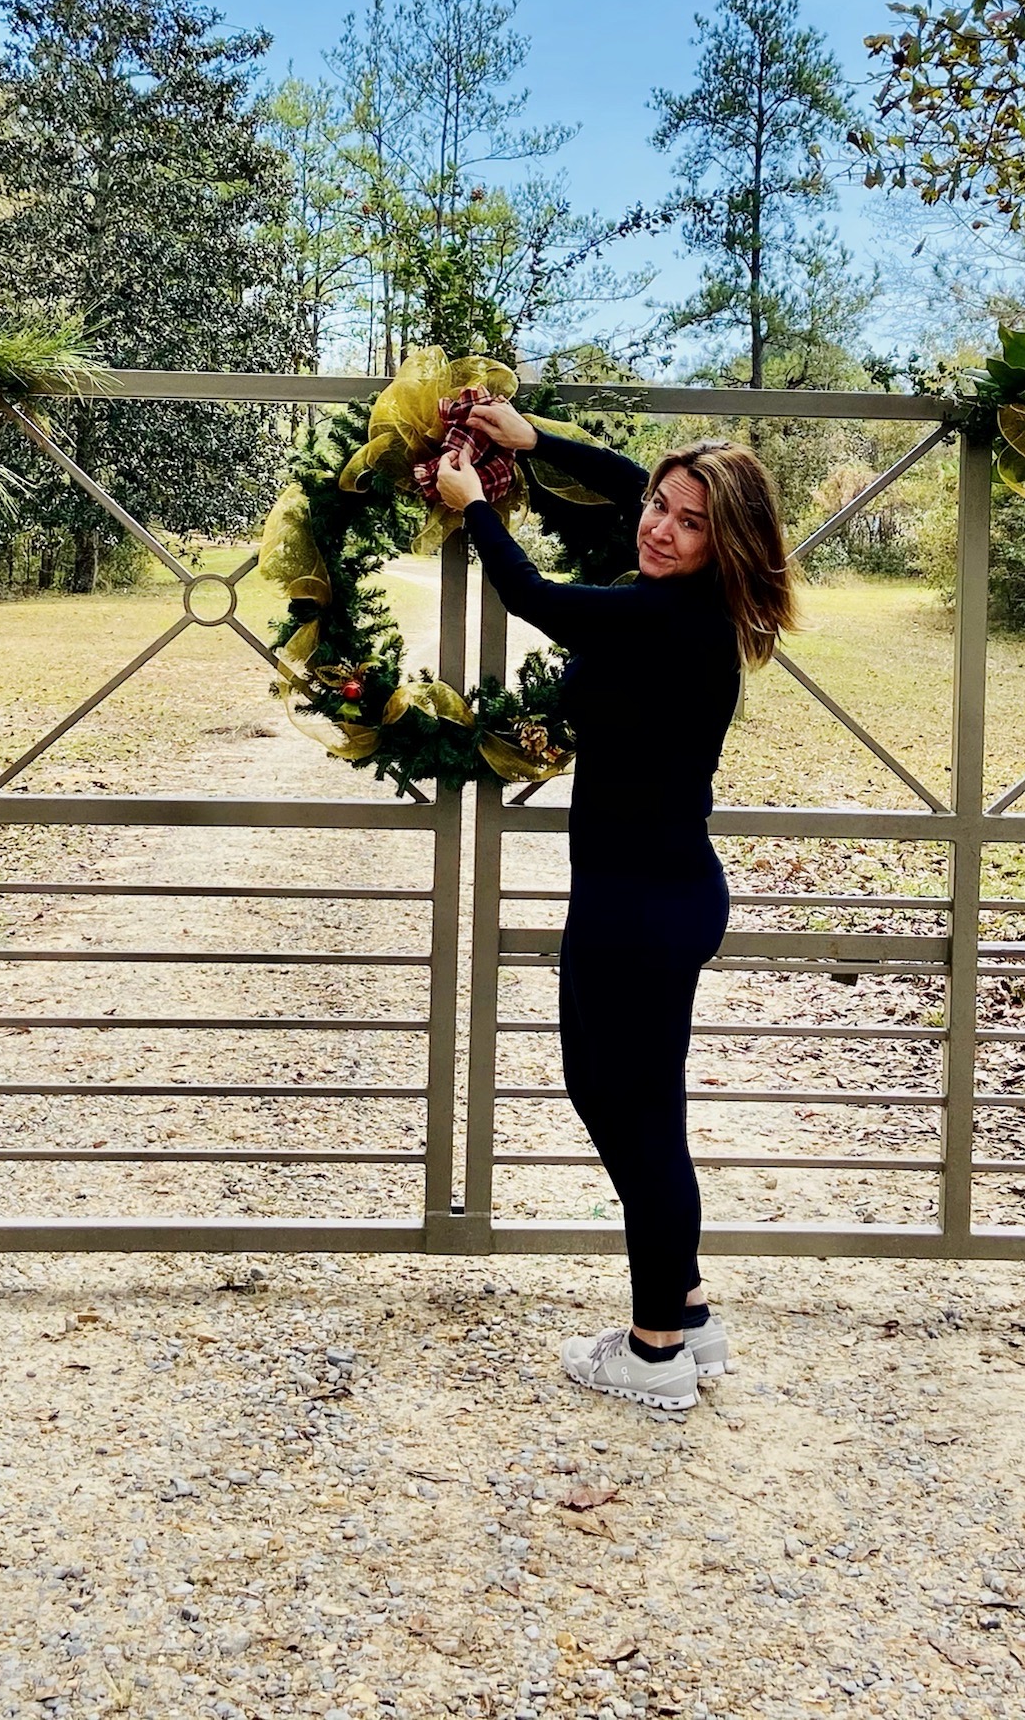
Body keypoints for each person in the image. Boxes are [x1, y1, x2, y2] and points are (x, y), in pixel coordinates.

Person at [430, 401, 794, 1411]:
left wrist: (473, 507)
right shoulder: (682, 599)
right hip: (647, 895)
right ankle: (687, 1314)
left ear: (726, 543)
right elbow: (627, 487)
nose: (659, 528)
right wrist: (535, 441)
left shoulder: (668, 619)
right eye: (660, 508)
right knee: (624, 1105)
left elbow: (535, 596)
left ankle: (653, 1350)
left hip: (642, 908)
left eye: (689, 521)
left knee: (635, 1121)